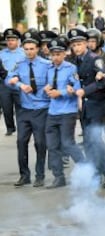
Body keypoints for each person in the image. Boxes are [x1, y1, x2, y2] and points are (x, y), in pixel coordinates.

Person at [68, 28, 105, 188]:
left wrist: (85, 91)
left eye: (79, 44)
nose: (77, 48)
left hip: (95, 104)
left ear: (86, 44)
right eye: (74, 45)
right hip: (83, 107)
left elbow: (104, 81)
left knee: (95, 140)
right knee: (88, 142)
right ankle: (95, 172)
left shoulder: (95, 59)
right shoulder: (73, 61)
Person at [6, 31, 51, 187]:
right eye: (26, 49)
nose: (29, 52)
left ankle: (40, 175)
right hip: (24, 109)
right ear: (22, 49)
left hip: (41, 109)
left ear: (37, 49)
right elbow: (8, 80)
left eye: (32, 48)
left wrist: (48, 87)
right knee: (21, 141)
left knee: (40, 143)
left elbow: (54, 81)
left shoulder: (46, 65)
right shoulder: (19, 64)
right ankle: (24, 175)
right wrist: (19, 84)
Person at [44, 38, 85, 188]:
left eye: (58, 54)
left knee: (68, 143)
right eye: (53, 54)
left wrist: (60, 92)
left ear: (64, 54)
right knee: (52, 146)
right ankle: (58, 177)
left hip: (67, 111)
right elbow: (49, 87)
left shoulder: (70, 68)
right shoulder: (49, 68)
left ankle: (87, 168)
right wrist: (47, 90)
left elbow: (77, 89)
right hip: (52, 112)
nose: (55, 57)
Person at [86, 28, 105, 168]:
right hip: (92, 97)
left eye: (93, 41)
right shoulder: (85, 58)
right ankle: (98, 159)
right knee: (94, 131)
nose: (91, 44)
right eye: (88, 41)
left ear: (99, 41)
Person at [0, 29, 25, 136]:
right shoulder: (1, 53)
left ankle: (21, 126)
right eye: (9, 40)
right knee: (6, 107)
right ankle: (10, 127)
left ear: (18, 41)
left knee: (20, 107)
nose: (10, 42)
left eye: (13, 40)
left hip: (19, 84)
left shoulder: (23, 53)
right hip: (4, 84)